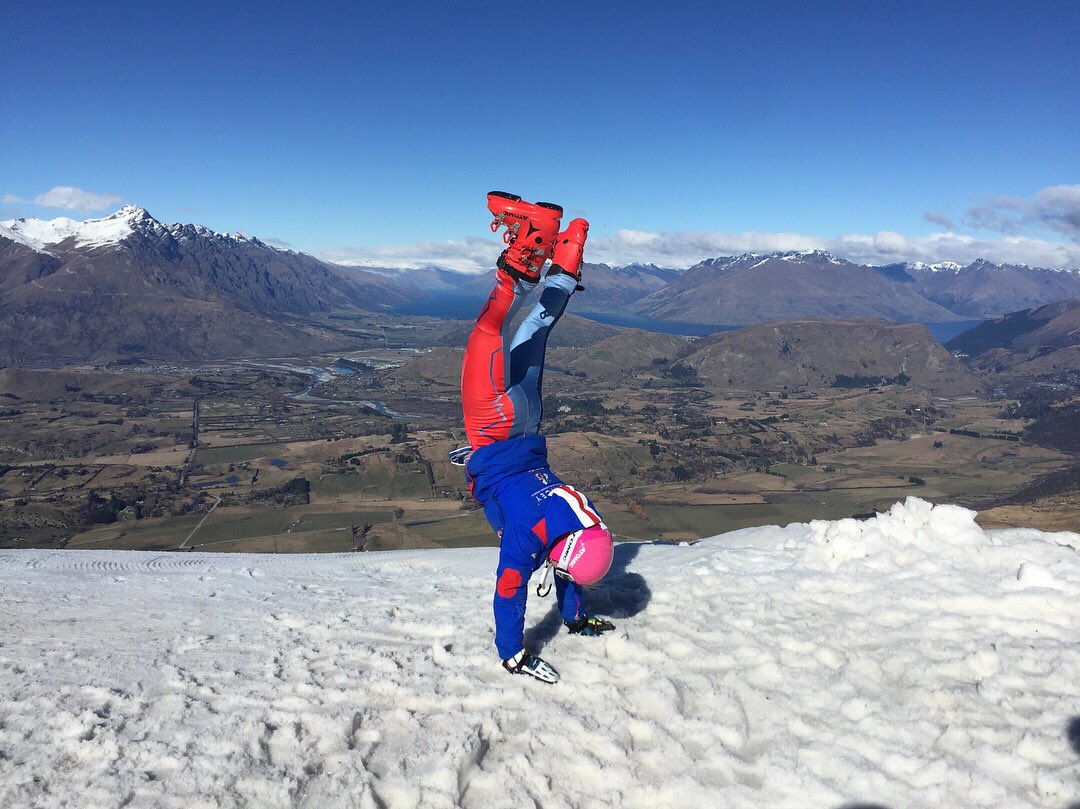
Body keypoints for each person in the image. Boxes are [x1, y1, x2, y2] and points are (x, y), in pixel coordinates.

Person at [453, 191, 616, 684]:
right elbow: (510, 589)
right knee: (486, 333)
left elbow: (573, 561)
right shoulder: (529, 539)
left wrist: (574, 616)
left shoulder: (580, 515)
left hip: (527, 426)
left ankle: (565, 256)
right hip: (492, 428)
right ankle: (519, 261)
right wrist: (512, 653)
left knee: (533, 332)